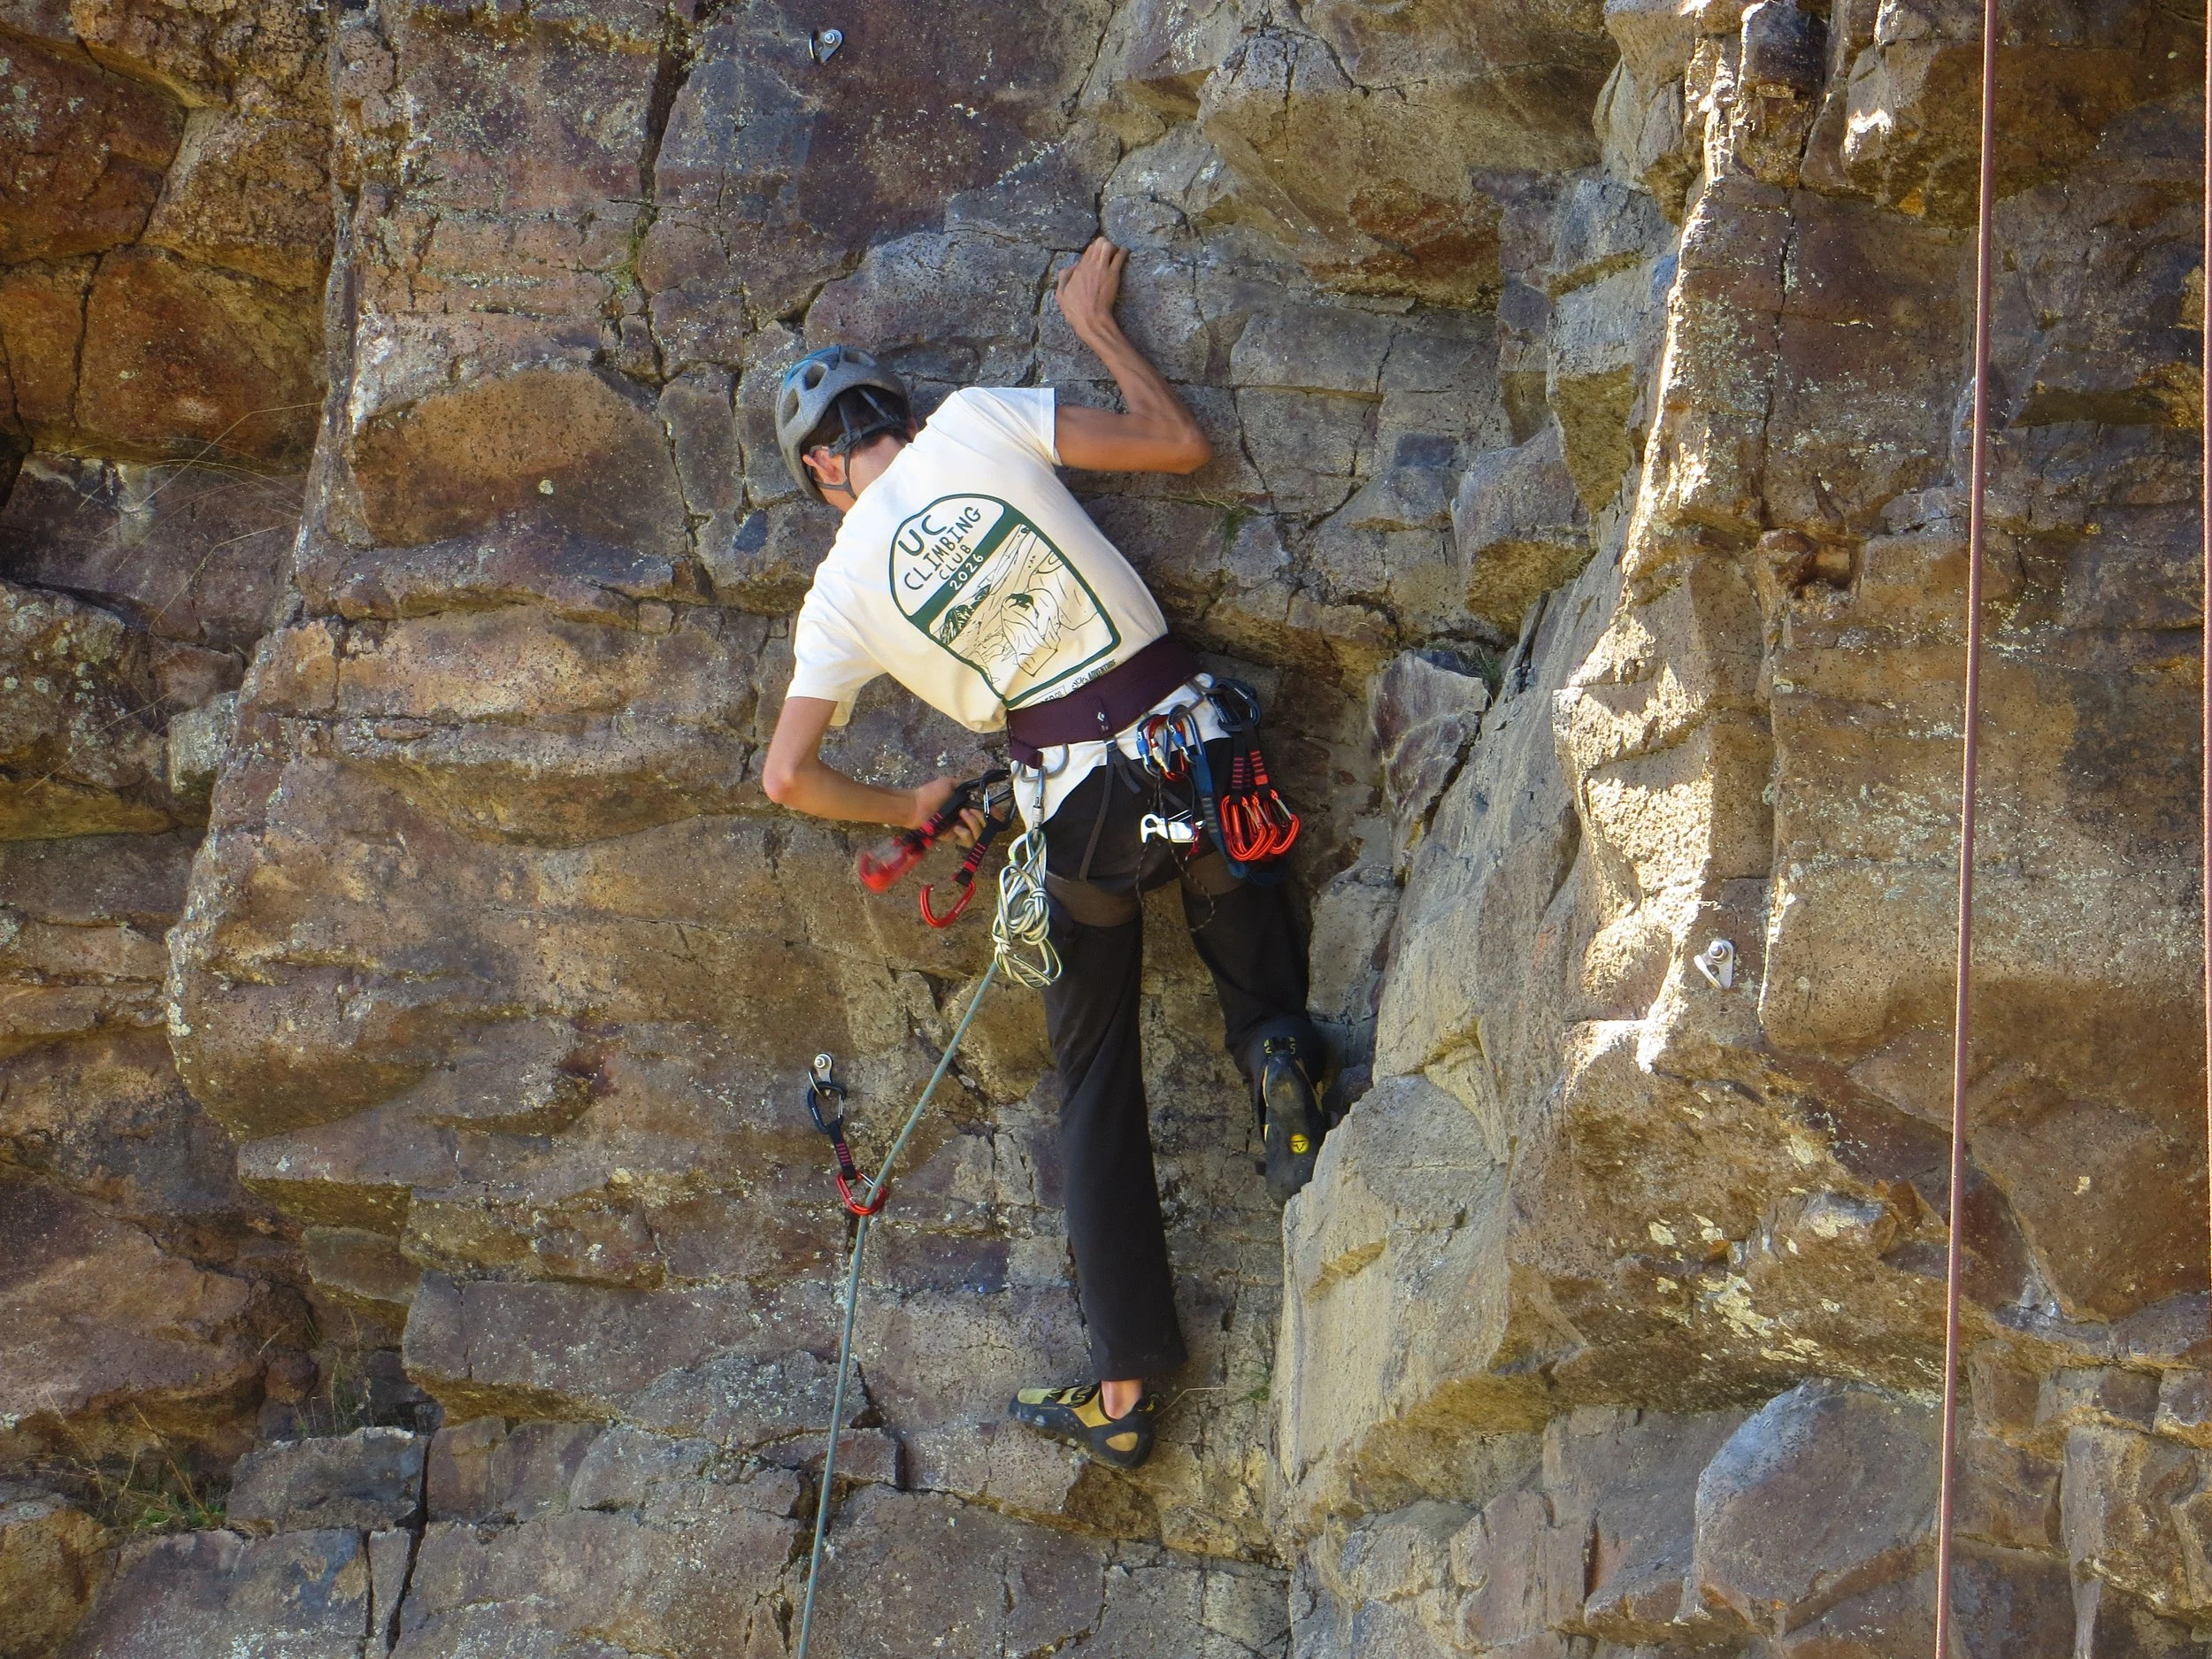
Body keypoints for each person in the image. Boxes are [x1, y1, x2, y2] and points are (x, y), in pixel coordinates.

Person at [760, 237, 1328, 1471]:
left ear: (821, 470)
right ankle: (1282, 1058)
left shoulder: (843, 591)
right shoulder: (976, 423)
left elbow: (787, 777)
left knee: (1094, 1079)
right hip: (1199, 739)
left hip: (1081, 812)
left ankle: (1126, 1390)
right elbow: (1178, 445)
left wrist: (911, 799)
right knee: (1232, 857)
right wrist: (1097, 327)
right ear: (895, 416)